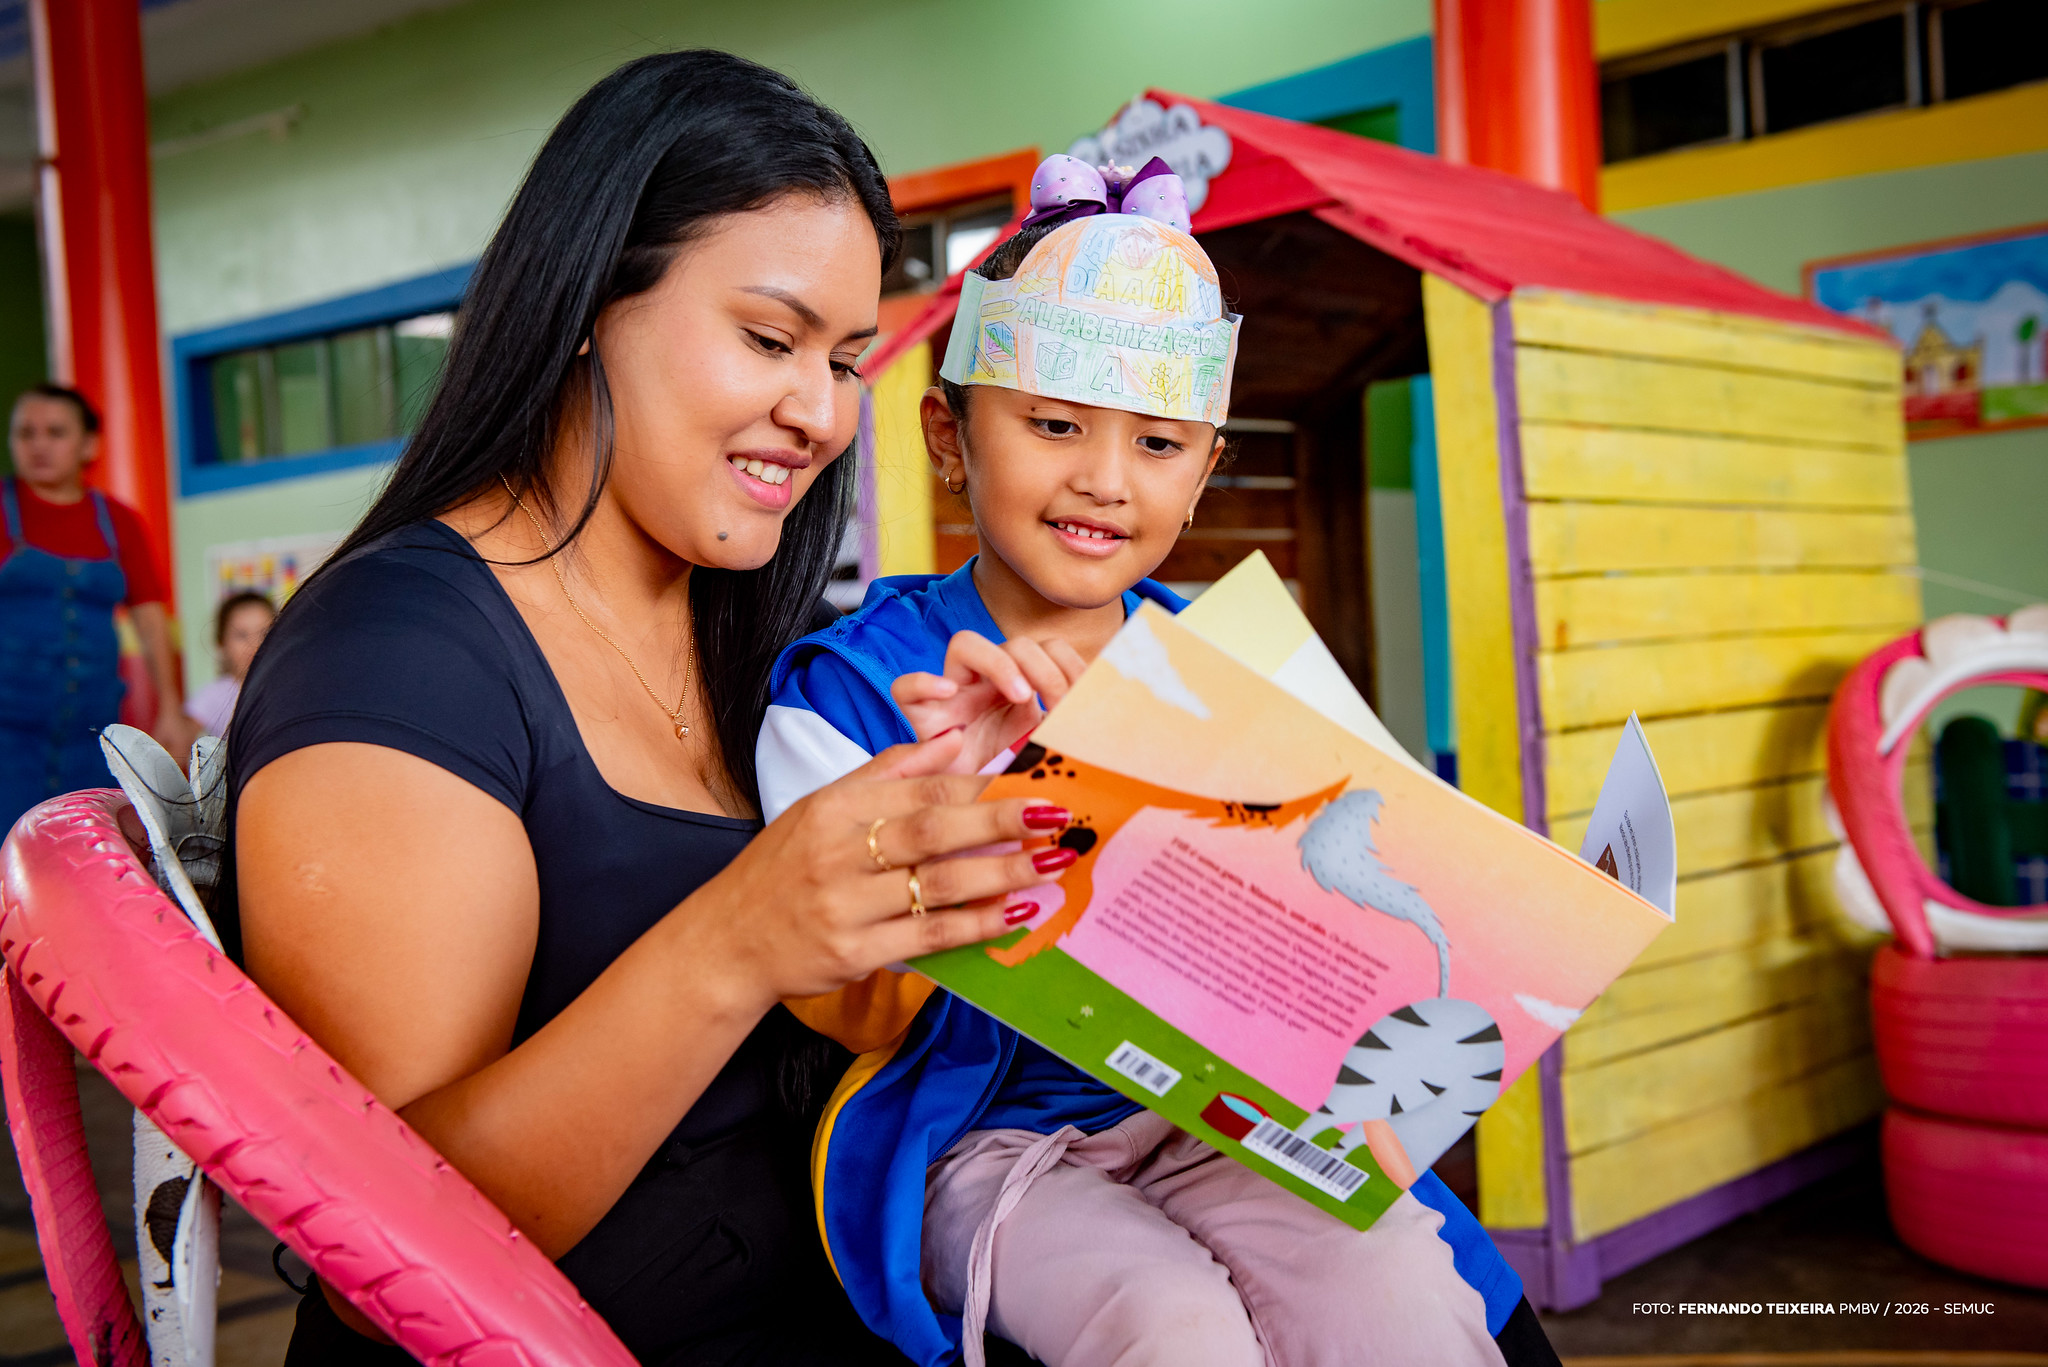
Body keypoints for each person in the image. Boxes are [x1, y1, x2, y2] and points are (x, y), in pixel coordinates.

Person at [222, 51, 1062, 1365]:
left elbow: (861, 1037)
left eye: (847, 359)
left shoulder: (757, 647)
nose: (821, 411)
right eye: (771, 339)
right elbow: (380, 1250)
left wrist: (956, 839)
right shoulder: (394, 657)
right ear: (584, 303)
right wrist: (741, 933)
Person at [758, 159, 1555, 1367]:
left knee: (1395, 1288)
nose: (1103, 478)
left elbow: (1330, 940)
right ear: (947, 434)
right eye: (1054, 422)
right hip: (981, 1138)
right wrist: (961, 810)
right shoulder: (850, 693)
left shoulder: (1231, 666)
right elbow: (832, 1003)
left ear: (1205, 465)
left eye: (1159, 440)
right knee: (1169, 1324)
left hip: (1224, 1117)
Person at [0, 383, 198, 830]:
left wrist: (170, 707)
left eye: (55, 432)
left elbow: (150, 618)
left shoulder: (119, 522)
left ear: (89, 445)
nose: (38, 445)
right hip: (8, 737)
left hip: (92, 736)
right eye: (25, 433)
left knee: (83, 852)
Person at [185, 590, 276, 737]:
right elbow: (180, 741)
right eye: (241, 635)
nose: (254, 645)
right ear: (221, 643)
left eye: (264, 633)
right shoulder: (214, 694)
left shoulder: (286, 687)